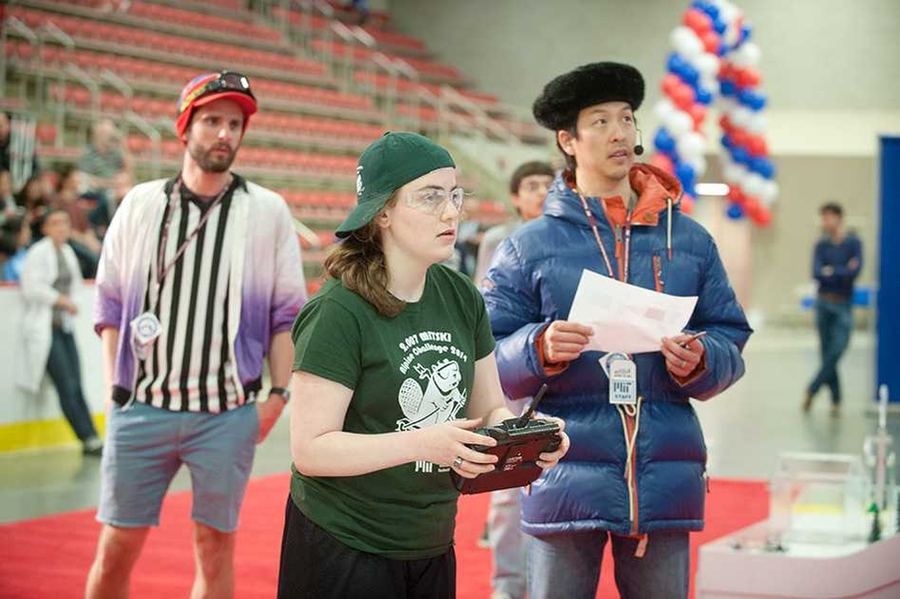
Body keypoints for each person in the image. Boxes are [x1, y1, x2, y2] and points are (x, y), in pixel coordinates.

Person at [481, 62, 753, 599]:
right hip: (560, 469)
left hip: (663, 476)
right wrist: (536, 347)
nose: (620, 133)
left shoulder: (689, 239)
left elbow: (730, 334)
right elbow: (484, 355)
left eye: (627, 119)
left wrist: (701, 356)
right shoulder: (527, 246)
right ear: (568, 140)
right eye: (601, 121)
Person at [277, 132, 570, 599]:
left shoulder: (461, 296)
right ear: (383, 212)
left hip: (430, 538)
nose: (451, 212)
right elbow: (311, 449)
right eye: (430, 198)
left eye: (455, 195)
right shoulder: (338, 310)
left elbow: (491, 406)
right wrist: (423, 442)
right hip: (345, 541)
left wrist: (526, 435)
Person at [85, 70, 307, 599]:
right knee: (117, 543)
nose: (224, 133)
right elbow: (110, 304)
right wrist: (115, 392)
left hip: (226, 414)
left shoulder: (267, 211)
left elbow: (285, 314)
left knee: (214, 545)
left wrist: (277, 398)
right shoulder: (140, 204)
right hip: (141, 408)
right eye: (212, 121)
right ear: (185, 129)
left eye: (235, 123)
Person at [473, 160, 554, 599]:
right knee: (506, 485)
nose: (541, 191)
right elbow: (481, 306)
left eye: (548, 183)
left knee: (554, 481)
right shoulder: (497, 241)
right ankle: (507, 584)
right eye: (531, 185)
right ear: (515, 196)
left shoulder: (572, 242)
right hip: (507, 373)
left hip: (559, 376)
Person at [17, 209, 103, 454]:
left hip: (64, 327)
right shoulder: (38, 253)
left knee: (77, 382)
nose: (61, 228)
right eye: (55, 223)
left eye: (65, 223)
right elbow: (31, 288)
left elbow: (75, 286)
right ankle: (87, 437)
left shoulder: (67, 252)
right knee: (66, 383)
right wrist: (60, 300)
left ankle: (93, 436)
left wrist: (69, 302)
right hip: (45, 328)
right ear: (45, 228)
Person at [804, 201, 862, 415]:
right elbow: (817, 272)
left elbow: (855, 273)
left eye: (829, 217)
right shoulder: (821, 244)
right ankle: (836, 399)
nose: (825, 222)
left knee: (837, 350)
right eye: (823, 218)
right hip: (823, 302)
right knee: (826, 352)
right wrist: (841, 271)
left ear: (839, 217)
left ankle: (813, 388)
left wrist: (832, 272)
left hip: (843, 303)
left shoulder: (853, 243)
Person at [78, 117, 132, 199]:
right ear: (97, 134)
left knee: (130, 193)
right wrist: (109, 183)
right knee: (111, 196)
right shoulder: (88, 153)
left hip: (114, 189)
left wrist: (123, 143)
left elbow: (128, 170)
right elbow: (84, 177)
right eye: (106, 133)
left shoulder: (115, 152)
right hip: (96, 191)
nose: (109, 136)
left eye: (111, 133)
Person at [1, 214, 31, 281]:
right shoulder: (5, 256)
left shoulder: (28, 253)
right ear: (17, 233)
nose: (29, 232)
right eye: (26, 229)